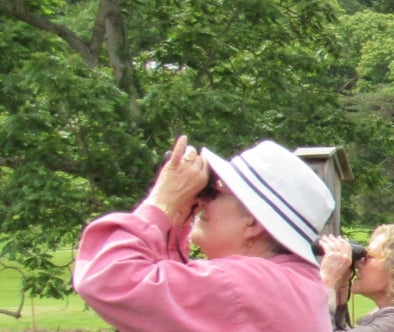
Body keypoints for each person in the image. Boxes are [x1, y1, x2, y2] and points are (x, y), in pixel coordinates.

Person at [74, 137, 335, 331]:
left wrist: (162, 200)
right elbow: (163, 311)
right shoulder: (289, 285)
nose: (201, 201)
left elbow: (106, 279)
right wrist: (176, 220)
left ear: (253, 224)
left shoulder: (247, 285)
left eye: (214, 191)